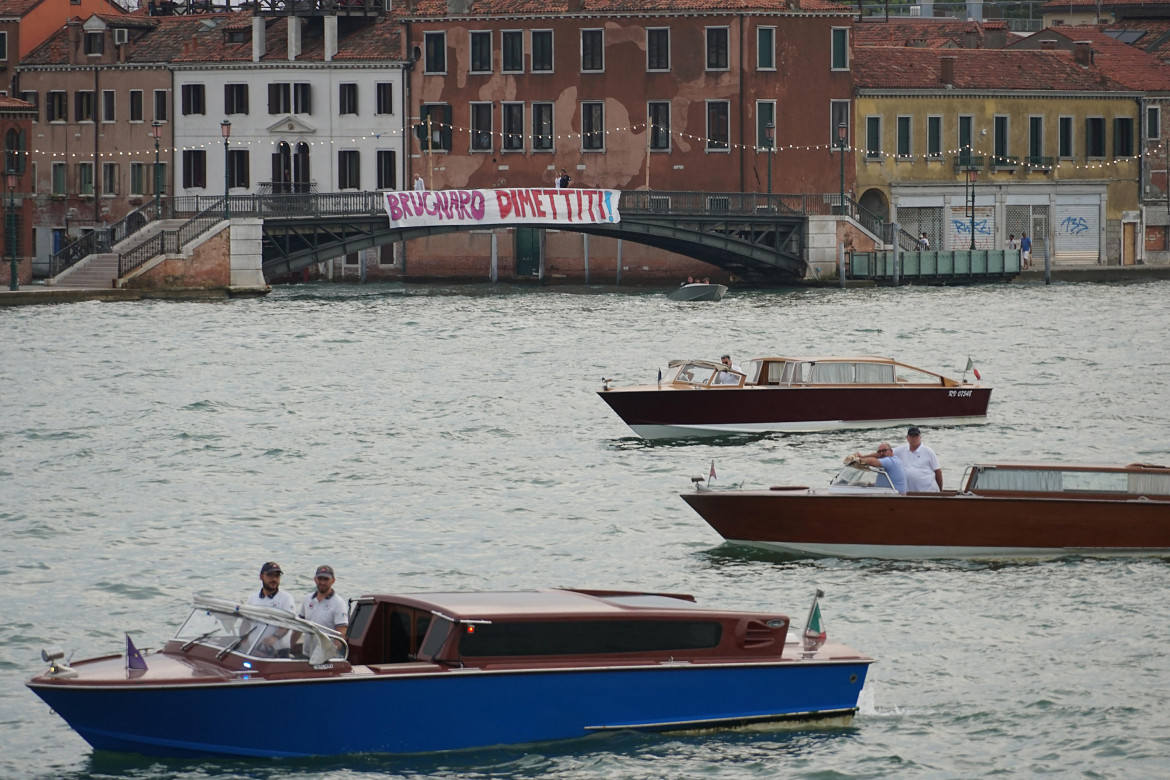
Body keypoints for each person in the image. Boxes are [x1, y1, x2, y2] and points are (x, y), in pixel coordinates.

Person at [245, 562, 296, 655]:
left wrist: (274, 637)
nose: (274, 579)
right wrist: (243, 641)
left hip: (278, 652)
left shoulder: (286, 598)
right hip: (254, 650)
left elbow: (287, 624)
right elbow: (246, 622)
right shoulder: (252, 597)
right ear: (261, 577)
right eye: (270, 576)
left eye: (277, 576)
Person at [298, 565, 349, 637]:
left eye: (326, 579)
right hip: (308, 647)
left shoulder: (339, 603)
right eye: (320, 578)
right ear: (315, 579)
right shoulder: (307, 599)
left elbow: (341, 633)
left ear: (333, 580)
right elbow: (299, 626)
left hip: (327, 648)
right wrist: (289, 645)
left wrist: (334, 648)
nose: (323, 582)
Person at [892, 426, 942, 492]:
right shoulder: (900, 450)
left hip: (928, 491)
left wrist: (941, 490)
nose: (914, 438)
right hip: (909, 493)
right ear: (907, 438)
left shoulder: (928, 451)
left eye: (916, 436)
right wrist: (874, 456)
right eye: (912, 436)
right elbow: (886, 452)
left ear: (920, 437)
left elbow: (938, 471)